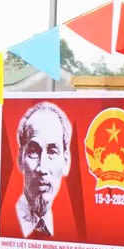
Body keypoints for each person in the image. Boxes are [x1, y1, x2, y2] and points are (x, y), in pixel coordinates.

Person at [14, 101, 74, 238]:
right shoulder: (10, 220)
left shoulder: (64, 224)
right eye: (33, 151)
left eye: (52, 152)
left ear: (65, 161)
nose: (42, 167)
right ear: (20, 159)